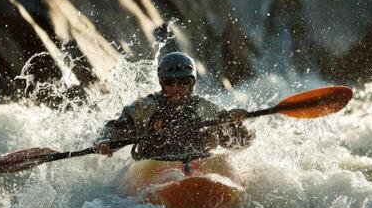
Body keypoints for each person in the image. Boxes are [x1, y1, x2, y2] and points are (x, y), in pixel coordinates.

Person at [93, 52, 253, 161]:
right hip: (154, 169)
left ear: (192, 83)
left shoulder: (206, 109)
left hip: (199, 168)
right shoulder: (144, 108)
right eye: (170, 82)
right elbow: (114, 129)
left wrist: (237, 123)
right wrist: (105, 140)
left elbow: (242, 143)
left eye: (183, 82)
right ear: (162, 83)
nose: (177, 88)